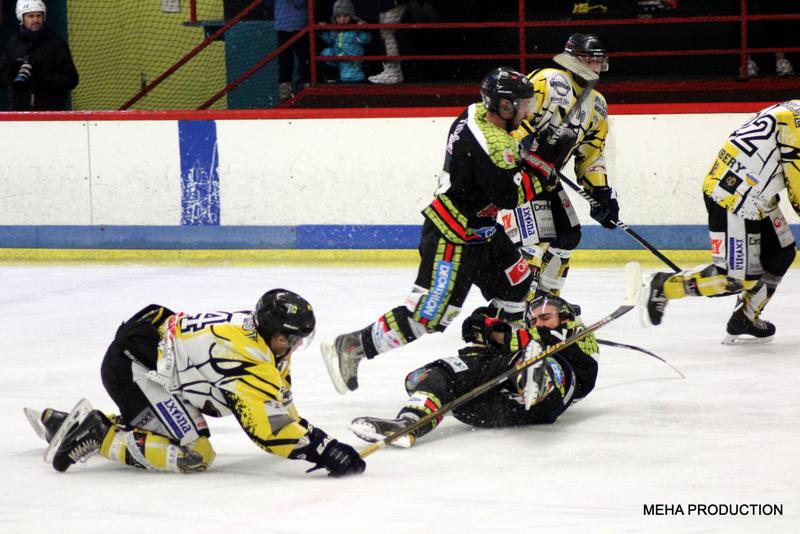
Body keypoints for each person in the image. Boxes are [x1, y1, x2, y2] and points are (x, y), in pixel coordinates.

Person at [322, 67, 574, 395]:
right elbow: (510, 196)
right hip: (452, 237)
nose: (527, 113)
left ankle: (502, 357)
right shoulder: (491, 146)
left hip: (483, 232)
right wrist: (547, 163)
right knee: (428, 316)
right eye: (522, 106)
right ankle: (354, 346)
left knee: (517, 284)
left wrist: (534, 158)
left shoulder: (475, 113)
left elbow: (507, 161)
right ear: (503, 106)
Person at [28, 289, 366, 477]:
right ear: (272, 332)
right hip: (132, 369)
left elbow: (279, 405)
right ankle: (100, 434)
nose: (295, 346)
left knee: (179, 430)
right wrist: (322, 449)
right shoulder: (244, 356)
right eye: (290, 339)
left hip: (153, 361)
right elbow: (267, 431)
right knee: (195, 454)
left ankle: (74, 425)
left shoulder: (263, 338)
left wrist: (319, 441)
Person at [643, 100, 800, 345]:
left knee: (781, 253)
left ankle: (745, 318)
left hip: (753, 192)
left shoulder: (793, 110)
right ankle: (665, 285)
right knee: (736, 279)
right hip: (734, 196)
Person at [349, 295, 599, 446]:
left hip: (549, 398)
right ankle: (409, 423)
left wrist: (499, 334)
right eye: (533, 320)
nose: (538, 323)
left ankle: (534, 380)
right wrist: (480, 339)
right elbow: (484, 365)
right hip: (488, 410)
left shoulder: (577, 336)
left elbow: (551, 343)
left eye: (546, 317)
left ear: (566, 318)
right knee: (439, 372)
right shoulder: (520, 343)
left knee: (538, 358)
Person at [500, 33, 618, 299]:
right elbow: (509, 113)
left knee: (568, 236)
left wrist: (600, 193)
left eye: (599, 61)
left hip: (546, 177)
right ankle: (519, 303)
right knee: (534, 240)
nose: (595, 67)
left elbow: (591, 154)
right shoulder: (549, 80)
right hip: (517, 176)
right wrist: (525, 141)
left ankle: (548, 302)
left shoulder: (598, 105)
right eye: (589, 60)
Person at [0, 0, 78, 111]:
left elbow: (71, 79)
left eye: (39, 15)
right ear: (21, 17)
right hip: (20, 111)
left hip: (52, 112)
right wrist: (13, 72)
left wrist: (41, 77)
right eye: (31, 16)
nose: (36, 20)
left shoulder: (57, 44)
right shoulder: (12, 44)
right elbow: (2, 79)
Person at [263, 0, 310, 102]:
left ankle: (306, 85)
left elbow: (299, 3)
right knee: (285, 62)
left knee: (304, 59)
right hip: (283, 27)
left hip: (300, 26)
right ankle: (285, 93)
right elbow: (267, 4)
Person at [319, 0, 372, 82]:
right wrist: (322, 30)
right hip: (338, 57)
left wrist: (365, 29)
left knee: (351, 77)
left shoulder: (356, 30)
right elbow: (330, 40)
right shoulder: (335, 31)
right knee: (326, 52)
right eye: (338, 17)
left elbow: (366, 39)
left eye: (346, 16)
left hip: (352, 60)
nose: (342, 19)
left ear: (352, 17)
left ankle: (355, 83)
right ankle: (332, 77)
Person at [368, 0, 408, 84]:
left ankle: (393, 71)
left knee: (387, 31)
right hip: (386, 5)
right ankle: (394, 71)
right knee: (385, 32)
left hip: (394, 4)